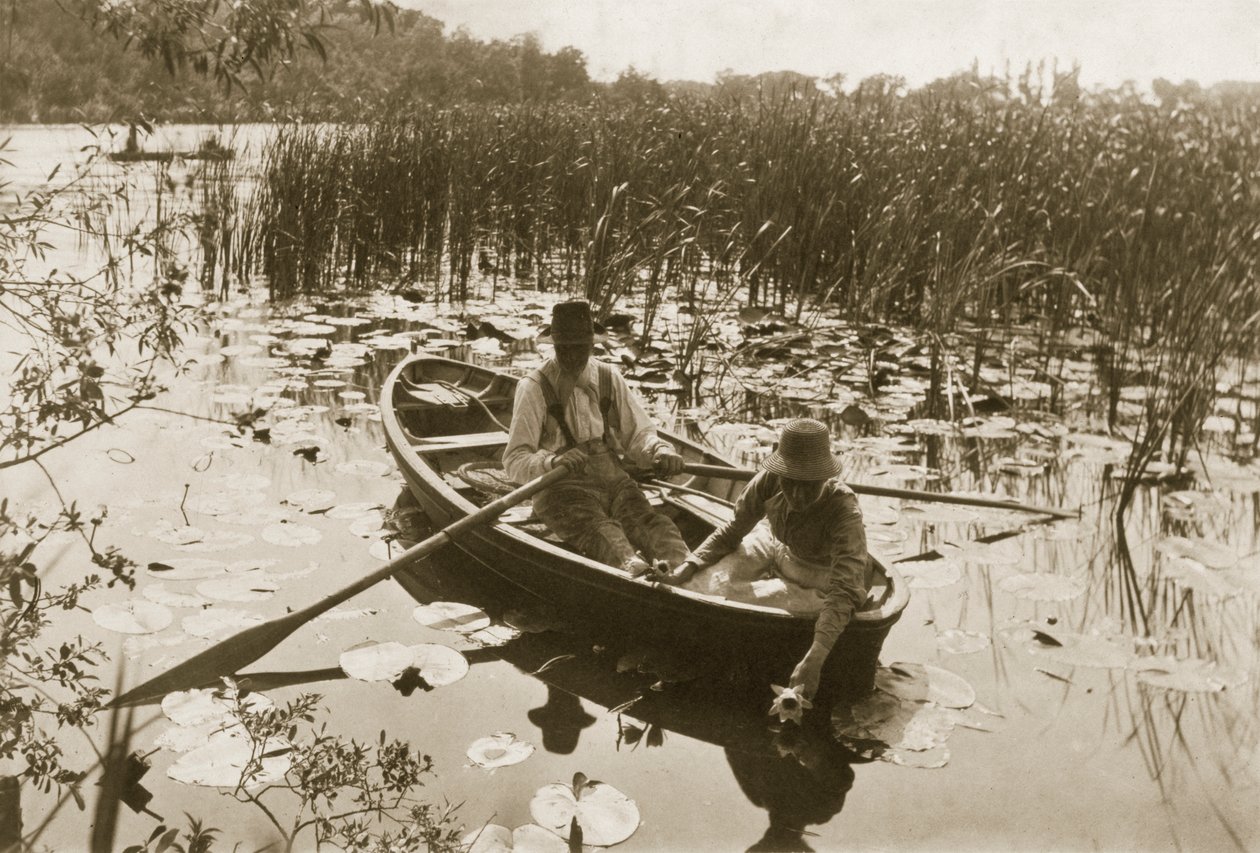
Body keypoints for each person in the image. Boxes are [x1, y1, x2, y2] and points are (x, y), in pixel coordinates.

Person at [659, 419, 870, 701]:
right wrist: (686, 567)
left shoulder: (844, 511)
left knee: (737, 602)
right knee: (701, 584)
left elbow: (845, 591)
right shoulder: (770, 479)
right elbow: (733, 530)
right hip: (775, 543)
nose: (796, 494)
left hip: (818, 577)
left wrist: (814, 659)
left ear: (824, 477)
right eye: (790, 481)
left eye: (808, 485)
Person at [503, 300, 690, 576]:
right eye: (563, 347)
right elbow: (514, 460)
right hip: (562, 490)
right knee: (604, 533)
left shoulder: (608, 376)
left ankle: (687, 572)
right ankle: (637, 575)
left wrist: (659, 451)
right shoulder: (534, 387)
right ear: (553, 345)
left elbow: (638, 434)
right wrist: (553, 461)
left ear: (593, 345)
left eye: (580, 347)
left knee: (654, 525)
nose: (571, 356)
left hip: (614, 481)